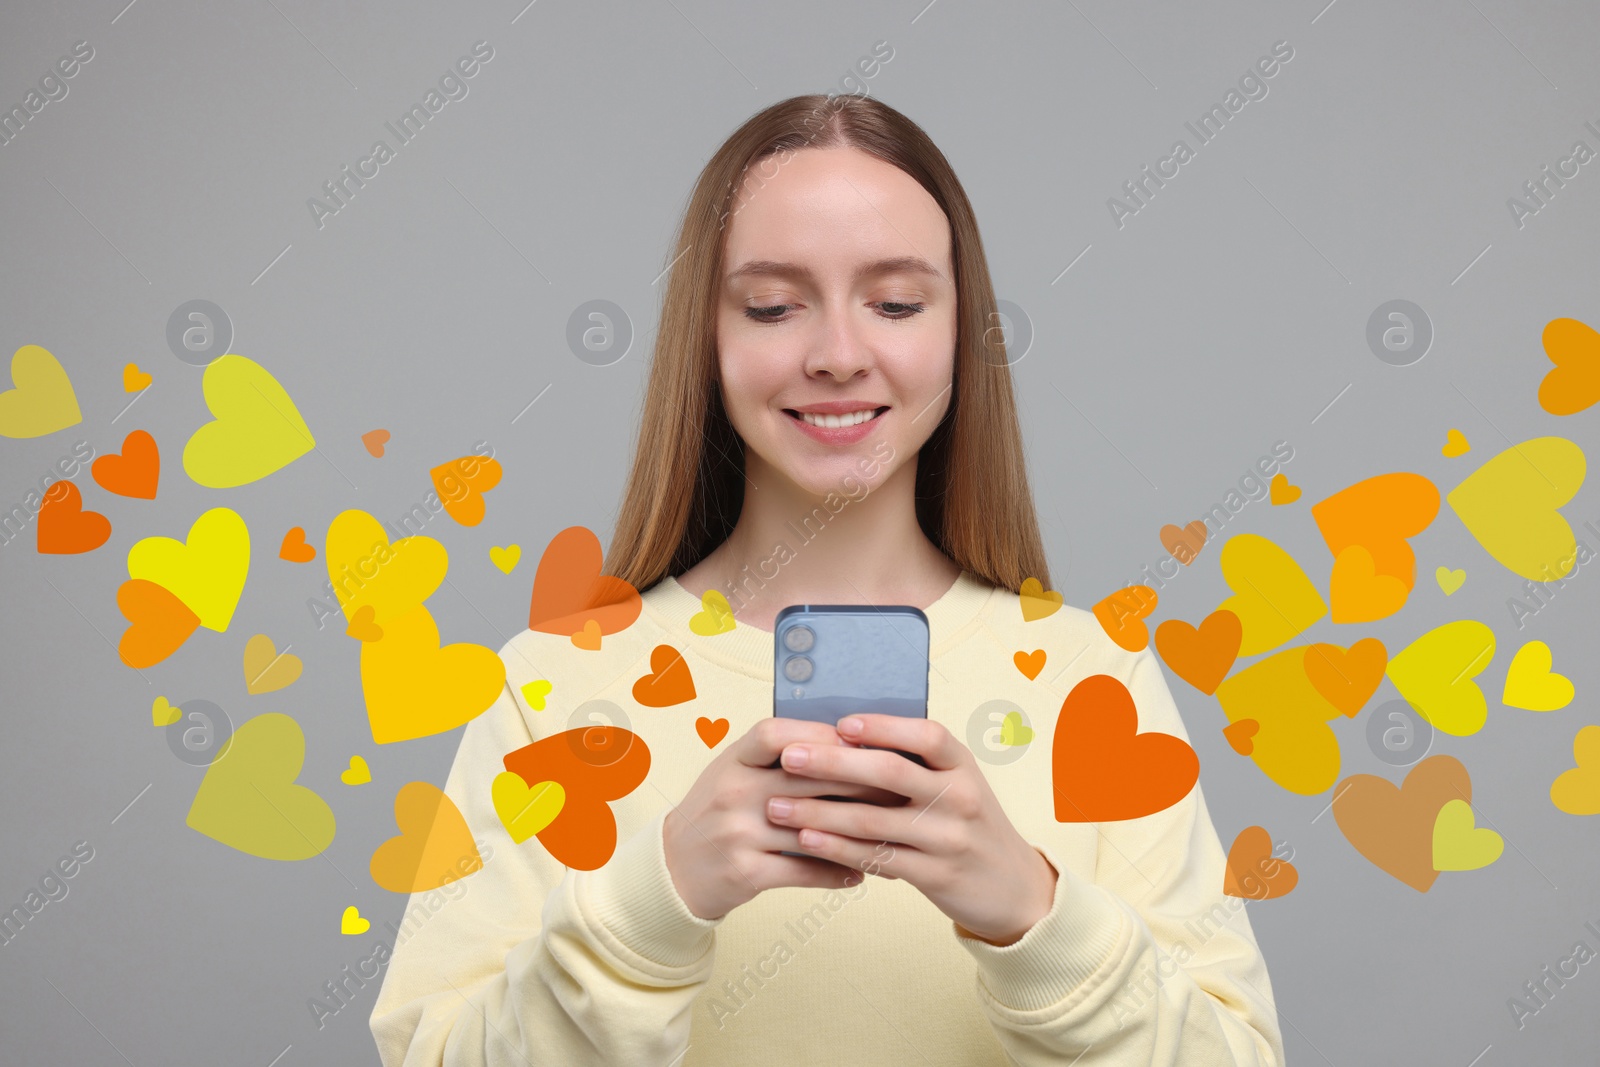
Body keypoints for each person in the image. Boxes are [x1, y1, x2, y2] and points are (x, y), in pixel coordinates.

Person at [370, 92, 1285, 1065]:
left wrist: (1032, 912)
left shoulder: (1092, 674)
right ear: (706, 338)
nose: (838, 355)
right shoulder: (546, 685)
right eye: (771, 305)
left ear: (961, 332)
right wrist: (652, 900)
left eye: (895, 302)